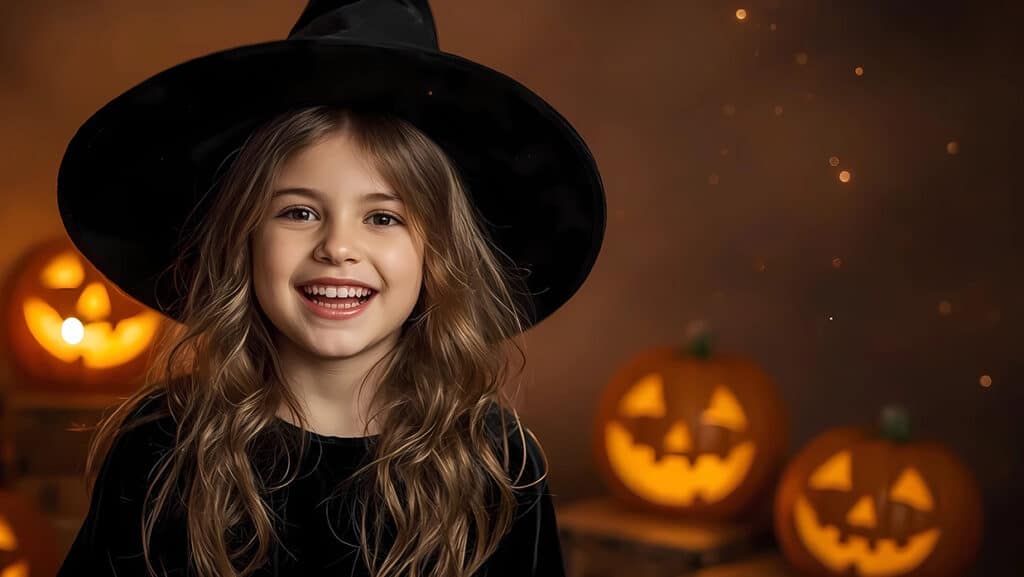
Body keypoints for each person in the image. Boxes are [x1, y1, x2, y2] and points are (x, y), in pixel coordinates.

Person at [54, 1, 605, 576]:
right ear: (243, 238)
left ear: (437, 254)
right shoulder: (162, 445)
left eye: (384, 218)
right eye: (298, 212)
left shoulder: (498, 465)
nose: (337, 247)